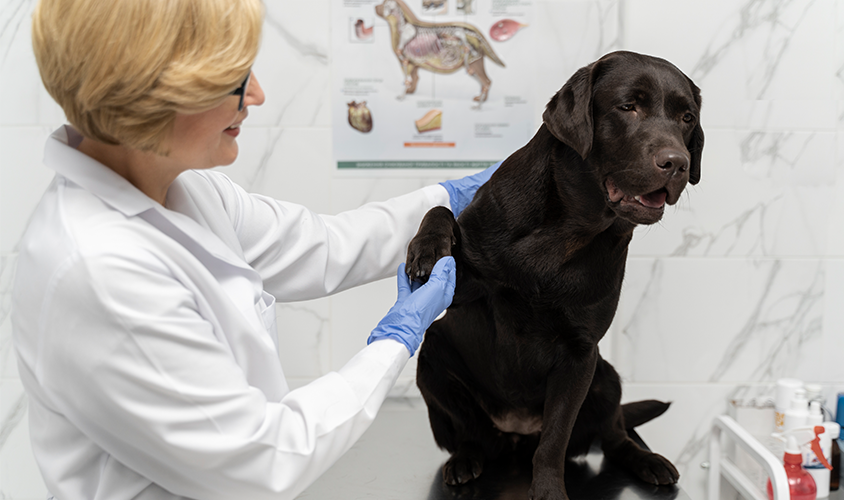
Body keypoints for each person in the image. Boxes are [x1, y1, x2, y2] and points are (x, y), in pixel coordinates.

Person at [12, 1, 499, 499]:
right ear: (149, 93)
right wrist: (395, 339)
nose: (258, 95)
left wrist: (457, 197)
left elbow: (322, 246)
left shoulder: (188, 192)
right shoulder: (98, 269)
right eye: (234, 80)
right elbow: (263, 459)